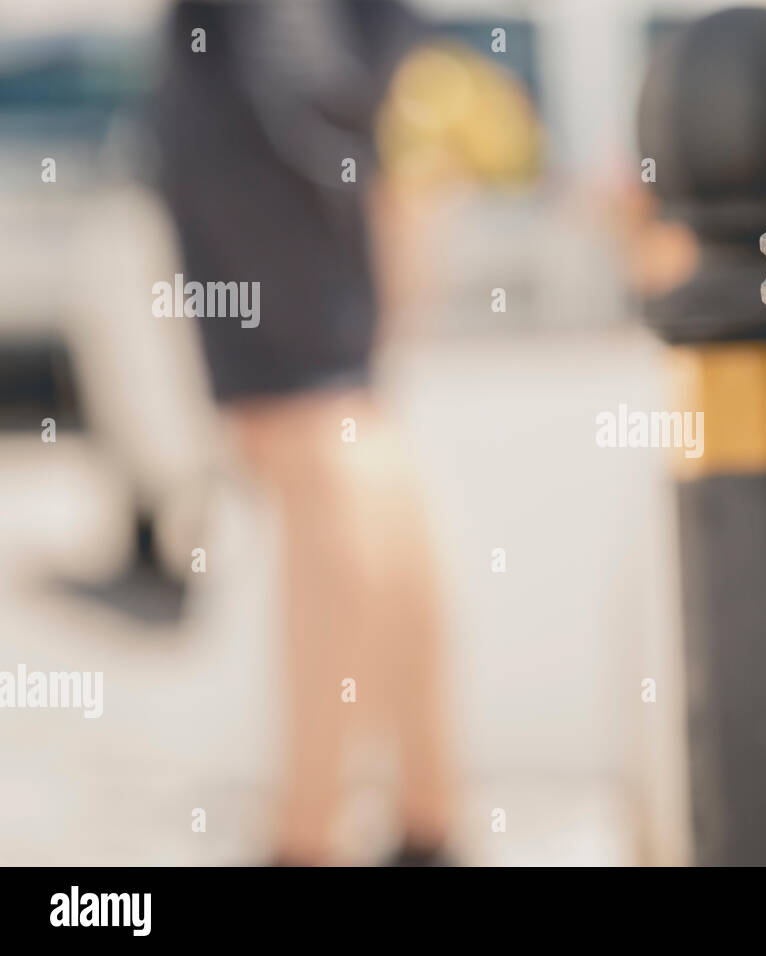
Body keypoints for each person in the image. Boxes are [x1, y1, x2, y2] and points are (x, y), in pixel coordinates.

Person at [150, 0, 452, 866]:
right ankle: (428, 816)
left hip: (270, 79)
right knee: (354, 429)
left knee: (319, 439)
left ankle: (308, 834)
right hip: (314, 73)